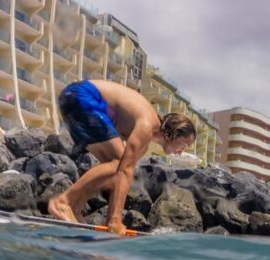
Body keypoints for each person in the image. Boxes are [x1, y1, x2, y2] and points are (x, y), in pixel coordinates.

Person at [48, 79, 196, 234]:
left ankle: (75, 207)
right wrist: (115, 221)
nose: (181, 151)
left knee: (112, 168)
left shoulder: (145, 141)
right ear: (175, 133)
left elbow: (119, 177)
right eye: (185, 144)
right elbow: (124, 170)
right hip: (84, 95)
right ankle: (64, 202)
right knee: (119, 164)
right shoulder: (147, 125)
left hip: (69, 98)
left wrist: (110, 225)